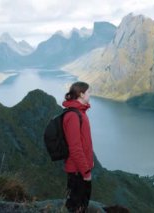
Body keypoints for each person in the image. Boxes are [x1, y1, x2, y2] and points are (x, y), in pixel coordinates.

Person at [63, 81, 94, 213]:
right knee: (76, 207)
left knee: (82, 206)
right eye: (88, 92)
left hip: (81, 169)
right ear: (81, 94)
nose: (90, 94)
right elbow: (75, 148)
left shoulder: (80, 113)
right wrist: (85, 172)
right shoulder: (73, 116)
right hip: (78, 172)